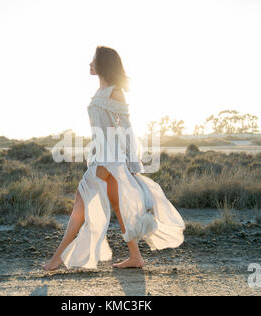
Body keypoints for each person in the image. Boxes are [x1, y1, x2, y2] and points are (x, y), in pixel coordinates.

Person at [42, 45, 185, 271]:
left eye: (93, 60)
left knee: (80, 204)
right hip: (102, 155)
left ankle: (57, 258)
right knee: (118, 204)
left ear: (103, 64)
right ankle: (135, 257)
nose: (90, 63)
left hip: (111, 157)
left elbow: (127, 127)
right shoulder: (101, 91)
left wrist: (133, 162)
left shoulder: (114, 91)